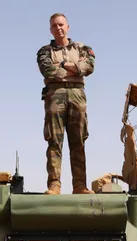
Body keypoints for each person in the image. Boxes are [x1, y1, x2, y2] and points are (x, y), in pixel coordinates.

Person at [36, 13, 95, 194]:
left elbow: (90, 67)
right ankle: (54, 184)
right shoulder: (45, 51)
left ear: (68, 27)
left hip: (77, 95)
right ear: (51, 30)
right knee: (54, 141)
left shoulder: (82, 48)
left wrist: (72, 68)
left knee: (78, 141)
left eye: (61, 24)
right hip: (55, 95)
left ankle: (79, 185)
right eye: (54, 26)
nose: (58, 28)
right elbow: (48, 71)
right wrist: (73, 67)